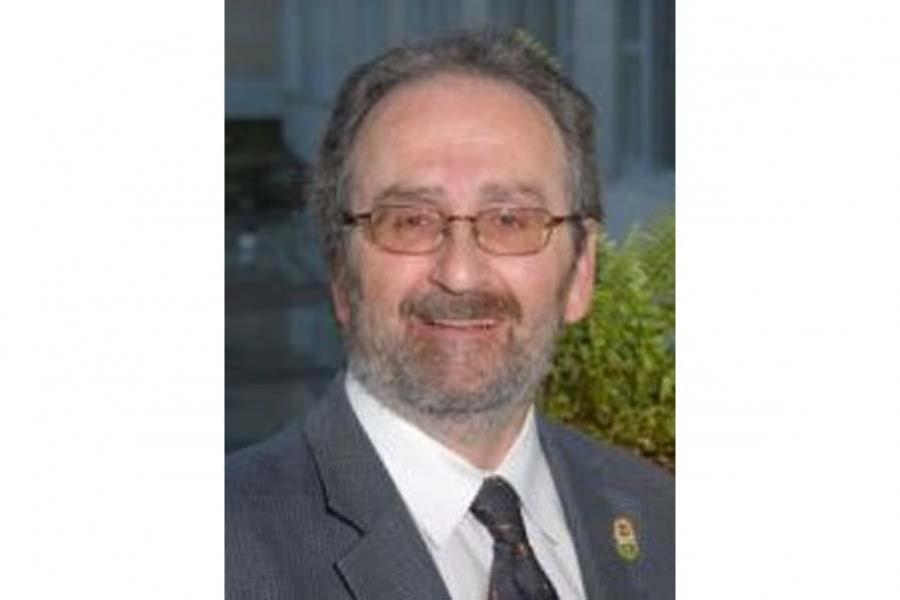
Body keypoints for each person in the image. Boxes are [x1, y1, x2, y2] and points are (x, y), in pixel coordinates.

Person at [226, 29, 674, 600]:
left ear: (581, 271)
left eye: (510, 220)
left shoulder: (666, 522)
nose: (460, 274)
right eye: (410, 220)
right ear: (341, 271)